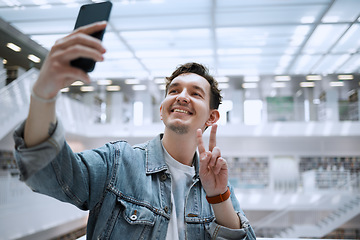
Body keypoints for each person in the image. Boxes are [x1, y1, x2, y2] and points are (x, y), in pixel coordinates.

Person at [13, 22, 256, 240]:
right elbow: (48, 174)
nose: (181, 97)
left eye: (195, 93)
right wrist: (43, 94)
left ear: (212, 117)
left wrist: (218, 196)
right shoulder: (117, 163)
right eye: (174, 91)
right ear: (162, 110)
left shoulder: (216, 183)